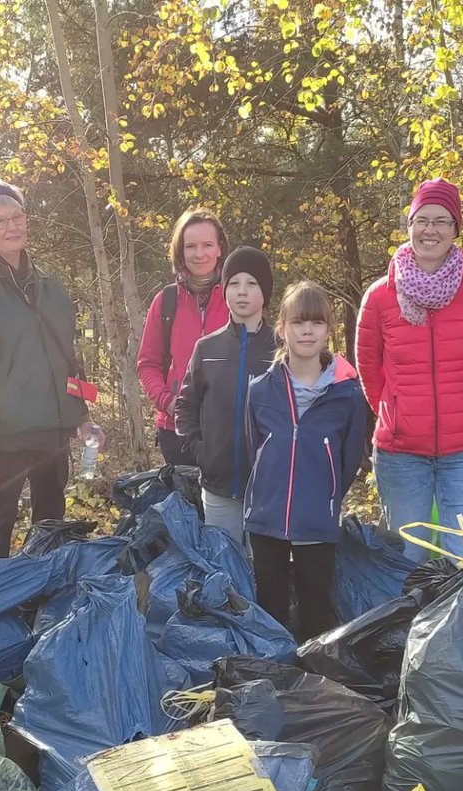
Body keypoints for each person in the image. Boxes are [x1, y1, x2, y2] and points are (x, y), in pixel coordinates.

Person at [0, 177, 101, 562]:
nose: (11, 227)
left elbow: (69, 355)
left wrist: (82, 413)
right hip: (7, 432)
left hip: (54, 428)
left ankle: (44, 598)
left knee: (50, 523)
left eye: (17, 217)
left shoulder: (49, 285)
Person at [356, 178, 463, 561]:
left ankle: (461, 624)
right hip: (401, 452)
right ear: (409, 226)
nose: (431, 230)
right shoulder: (380, 297)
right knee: (407, 560)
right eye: (422, 220)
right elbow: (370, 371)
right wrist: (400, 412)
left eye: (442, 221)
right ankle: (408, 625)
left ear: (456, 229)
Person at [243, 281, 368, 641]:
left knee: (317, 613)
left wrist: (326, 496)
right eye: (299, 322)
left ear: (328, 329)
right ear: (282, 329)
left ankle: (315, 687)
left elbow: (346, 464)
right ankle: (277, 683)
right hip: (267, 521)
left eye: (316, 322)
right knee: (272, 610)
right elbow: (256, 450)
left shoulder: (348, 395)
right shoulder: (260, 390)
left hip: (317, 521)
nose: (307, 330)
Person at [175, 245, 276, 544]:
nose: (242, 292)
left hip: (270, 489)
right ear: (224, 290)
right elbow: (185, 405)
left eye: (252, 283)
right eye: (234, 283)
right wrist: (201, 452)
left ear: (265, 292)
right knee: (224, 570)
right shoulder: (206, 349)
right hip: (218, 487)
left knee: (265, 574)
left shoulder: (282, 347)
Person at [136, 208, 230, 466]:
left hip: (227, 429)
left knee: (223, 506)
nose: (199, 254)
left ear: (220, 248)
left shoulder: (237, 298)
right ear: (181, 251)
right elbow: (147, 364)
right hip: (175, 430)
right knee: (183, 505)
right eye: (191, 246)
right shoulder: (165, 301)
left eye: (207, 245)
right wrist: (167, 402)